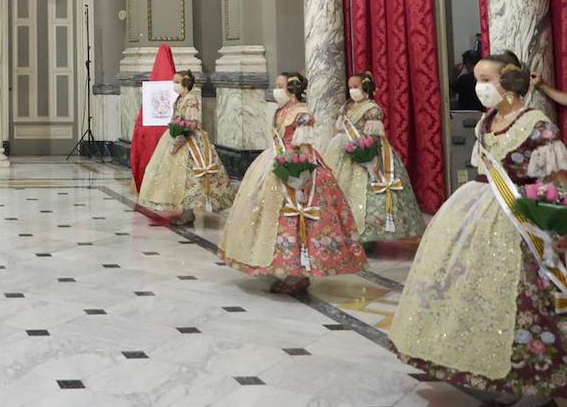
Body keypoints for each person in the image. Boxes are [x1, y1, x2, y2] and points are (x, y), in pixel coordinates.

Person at [391, 52, 567, 407]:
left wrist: (551, 221)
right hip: (479, 212)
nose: (478, 87)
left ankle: (537, 393)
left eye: (485, 78)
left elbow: (557, 180)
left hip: (523, 222)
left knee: (526, 304)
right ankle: (505, 382)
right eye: (476, 79)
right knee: (485, 299)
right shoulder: (487, 121)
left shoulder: (537, 126)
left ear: (510, 82)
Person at [218, 72, 366, 293]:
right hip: (275, 161)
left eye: (280, 86)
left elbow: (304, 146)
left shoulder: (302, 114)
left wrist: (302, 176)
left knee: (297, 219)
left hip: (297, 165)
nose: (276, 90)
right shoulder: (281, 110)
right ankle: (283, 266)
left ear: (292, 88)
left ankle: (298, 273)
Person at [320, 72, 424, 243]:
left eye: (355, 87)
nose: (352, 91)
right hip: (342, 152)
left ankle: (368, 234)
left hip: (366, 151)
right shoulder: (347, 107)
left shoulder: (371, 109)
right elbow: (340, 128)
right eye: (350, 87)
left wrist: (369, 156)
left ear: (365, 88)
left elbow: (373, 137)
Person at [138, 70, 235, 224]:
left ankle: (188, 212)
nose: (174, 85)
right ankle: (185, 211)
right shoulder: (179, 99)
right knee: (175, 176)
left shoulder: (191, 100)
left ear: (185, 83)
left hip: (190, 142)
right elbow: (175, 118)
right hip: (176, 137)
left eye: (176, 82)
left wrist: (179, 140)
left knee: (189, 177)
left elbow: (191, 123)